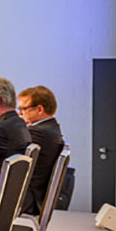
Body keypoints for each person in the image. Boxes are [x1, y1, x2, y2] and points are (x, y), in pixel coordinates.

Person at [16, 85, 70, 215]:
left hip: (28, 198)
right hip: (36, 194)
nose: (19, 113)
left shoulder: (37, 132)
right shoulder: (51, 128)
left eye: (23, 109)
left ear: (39, 109)